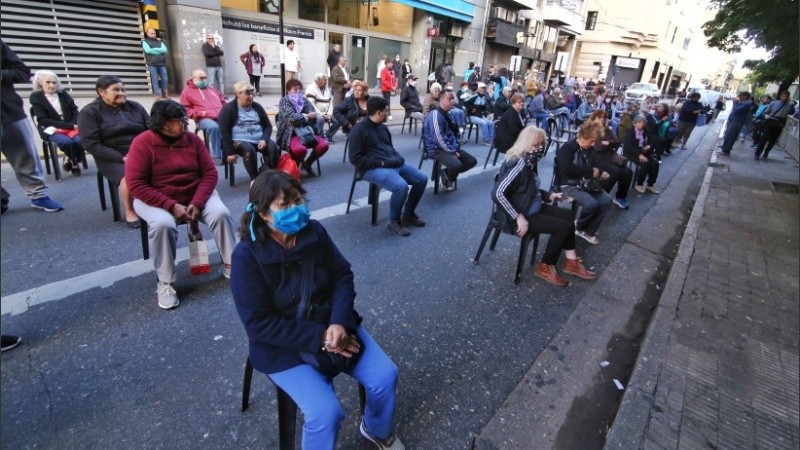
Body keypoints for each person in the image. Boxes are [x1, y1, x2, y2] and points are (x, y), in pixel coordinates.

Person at [230, 170, 404, 449]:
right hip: (283, 346)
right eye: (285, 204)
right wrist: (321, 337)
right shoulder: (246, 257)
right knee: (326, 414)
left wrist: (339, 323)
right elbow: (259, 324)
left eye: (298, 200)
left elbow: (342, 275)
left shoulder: (314, 231)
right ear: (263, 214)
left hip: (333, 322)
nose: (296, 208)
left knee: (385, 376)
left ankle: (376, 428)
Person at [126, 100, 237, 310]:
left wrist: (197, 201)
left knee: (220, 213)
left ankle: (232, 263)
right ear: (163, 124)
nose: (185, 123)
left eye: (184, 118)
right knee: (163, 225)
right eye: (179, 120)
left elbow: (210, 173)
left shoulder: (192, 140)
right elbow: (136, 185)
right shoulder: (143, 143)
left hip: (195, 193)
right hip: (156, 198)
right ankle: (165, 282)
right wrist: (170, 205)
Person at [493, 126, 597, 286]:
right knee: (562, 228)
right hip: (520, 214)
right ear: (525, 143)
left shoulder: (528, 160)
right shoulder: (518, 164)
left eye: (542, 144)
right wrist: (518, 217)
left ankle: (571, 262)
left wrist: (549, 195)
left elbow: (525, 189)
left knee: (569, 216)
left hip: (530, 206)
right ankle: (545, 266)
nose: (540, 148)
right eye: (535, 145)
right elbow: (498, 193)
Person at [349, 96, 427, 236]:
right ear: (379, 112)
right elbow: (355, 159)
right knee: (400, 186)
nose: (388, 113)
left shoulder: (383, 128)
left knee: (422, 179)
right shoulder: (358, 130)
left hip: (392, 162)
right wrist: (381, 163)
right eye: (386, 111)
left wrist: (397, 157)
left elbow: (389, 148)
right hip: (370, 168)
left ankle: (408, 214)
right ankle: (394, 221)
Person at [0, 39, 63, 213]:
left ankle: (39, 196)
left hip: (7, 113)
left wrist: (2, 75)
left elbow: (23, 72)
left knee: (25, 157)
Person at [78, 75, 149, 226]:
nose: (122, 93)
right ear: (101, 92)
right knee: (129, 175)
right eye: (116, 90)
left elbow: (151, 129)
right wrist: (121, 158)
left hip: (140, 151)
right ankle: (130, 211)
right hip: (112, 156)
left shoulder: (135, 107)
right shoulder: (90, 112)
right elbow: (91, 144)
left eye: (123, 89)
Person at [555, 120, 612, 245]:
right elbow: (567, 169)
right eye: (591, 141)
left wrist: (600, 173)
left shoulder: (590, 149)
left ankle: (588, 230)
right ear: (582, 136)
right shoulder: (567, 148)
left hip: (585, 183)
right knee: (591, 204)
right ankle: (579, 226)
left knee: (607, 200)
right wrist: (591, 171)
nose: (593, 144)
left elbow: (594, 166)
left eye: (594, 141)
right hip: (569, 184)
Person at [218, 81, 279, 180]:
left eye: (252, 93)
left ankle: (266, 173)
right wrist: (230, 153)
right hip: (239, 141)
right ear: (238, 94)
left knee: (273, 148)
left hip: (259, 139)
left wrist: (264, 139)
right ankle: (254, 179)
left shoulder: (257, 107)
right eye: (248, 93)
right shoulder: (228, 109)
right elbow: (224, 132)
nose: (251, 96)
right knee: (248, 150)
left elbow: (268, 126)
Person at [29, 69, 84, 176]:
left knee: (80, 140)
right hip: (50, 128)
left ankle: (68, 158)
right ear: (40, 83)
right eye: (48, 82)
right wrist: (69, 126)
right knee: (66, 142)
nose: (52, 85)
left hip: (70, 125)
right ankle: (74, 163)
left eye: (54, 82)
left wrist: (72, 124)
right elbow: (44, 120)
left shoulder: (63, 94)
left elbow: (75, 112)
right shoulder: (36, 97)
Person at [423, 91, 477, 190]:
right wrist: (452, 151)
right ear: (441, 100)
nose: (453, 101)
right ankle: (446, 178)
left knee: (472, 161)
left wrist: (456, 145)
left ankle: (445, 174)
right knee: (456, 165)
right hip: (436, 149)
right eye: (449, 99)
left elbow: (454, 132)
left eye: (453, 99)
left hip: (449, 147)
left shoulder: (448, 113)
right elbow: (438, 139)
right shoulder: (435, 114)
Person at [277, 78, 330, 177]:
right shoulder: (284, 101)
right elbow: (291, 118)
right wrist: (306, 116)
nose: (298, 91)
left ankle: (308, 163)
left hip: (307, 131)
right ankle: (295, 168)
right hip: (291, 134)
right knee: (300, 150)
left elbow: (313, 113)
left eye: (299, 89)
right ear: (288, 90)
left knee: (324, 145)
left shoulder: (304, 100)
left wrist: (306, 117)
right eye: (295, 89)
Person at [179, 69, 226, 165]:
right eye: (201, 78)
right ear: (194, 78)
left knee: (232, 123)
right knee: (214, 127)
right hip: (203, 118)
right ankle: (218, 155)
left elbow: (223, 101)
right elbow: (185, 109)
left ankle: (229, 150)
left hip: (220, 116)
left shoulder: (212, 89)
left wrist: (226, 111)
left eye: (205, 78)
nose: (204, 80)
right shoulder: (187, 92)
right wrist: (201, 113)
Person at [588, 110, 632, 210]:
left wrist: (608, 143)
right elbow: (596, 147)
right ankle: (601, 196)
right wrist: (608, 144)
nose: (602, 119)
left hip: (609, 156)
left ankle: (620, 197)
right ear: (594, 118)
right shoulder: (590, 129)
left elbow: (617, 141)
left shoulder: (607, 130)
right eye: (599, 117)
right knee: (615, 171)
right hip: (595, 158)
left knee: (627, 172)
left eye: (604, 117)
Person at [624, 115, 660, 194]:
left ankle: (650, 184)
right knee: (645, 163)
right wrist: (639, 155)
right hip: (632, 153)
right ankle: (639, 184)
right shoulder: (630, 131)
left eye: (643, 122)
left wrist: (650, 146)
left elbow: (653, 140)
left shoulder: (646, 130)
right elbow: (629, 147)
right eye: (639, 122)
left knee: (655, 163)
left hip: (644, 152)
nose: (642, 124)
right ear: (634, 123)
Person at [755, 91, 795, 159]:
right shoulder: (773, 103)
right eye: (783, 96)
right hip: (770, 121)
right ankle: (758, 153)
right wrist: (765, 116)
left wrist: (791, 103)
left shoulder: (789, 106)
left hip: (779, 123)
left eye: (786, 96)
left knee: (773, 140)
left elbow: (791, 114)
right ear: (780, 96)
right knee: (764, 138)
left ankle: (766, 152)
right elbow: (765, 112)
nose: (784, 98)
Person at [305, 73, 340, 143]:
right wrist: (322, 115)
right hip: (315, 113)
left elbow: (330, 103)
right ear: (318, 80)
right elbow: (311, 105)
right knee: (320, 119)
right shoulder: (311, 88)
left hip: (326, 113)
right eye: (324, 80)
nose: (326, 82)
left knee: (339, 119)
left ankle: (327, 135)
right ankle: (319, 138)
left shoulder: (326, 89)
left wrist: (329, 114)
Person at [719, 91, 753, 156]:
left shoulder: (747, 103)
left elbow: (736, 110)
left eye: (740, 96)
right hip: (733, 120)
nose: (739, 98)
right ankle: (724, 149)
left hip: (736, 121)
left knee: (730, 136)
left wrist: (735, 103)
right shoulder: (743, 102)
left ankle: (726, 151)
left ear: (745, 96)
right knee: (727, 135)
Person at [142, 28, 169, 100]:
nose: (153, 34)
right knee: (155, 80)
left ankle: (164, 94)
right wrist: (159, 51)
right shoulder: (145, 42)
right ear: (147, 34)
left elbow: (164, 49)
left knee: (165, 79)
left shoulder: (160, 41)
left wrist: (153, 49)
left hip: (162, 63)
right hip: (152, 64)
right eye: (152, 33)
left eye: (154, 33)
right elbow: (148, 51)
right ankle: (157, 94)